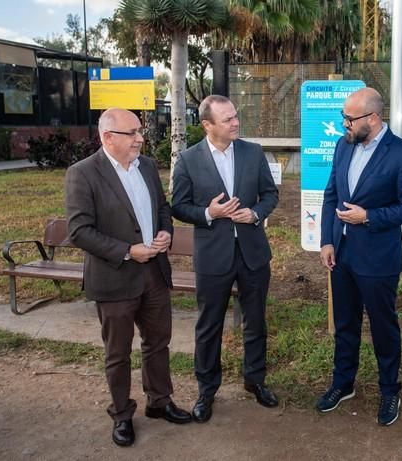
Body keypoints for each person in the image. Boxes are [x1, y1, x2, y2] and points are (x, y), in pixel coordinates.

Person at [65, 108, 192, 448]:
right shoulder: (83, 174)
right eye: (132, 132)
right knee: (118, 353)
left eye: (139, 131)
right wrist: (126, 250)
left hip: (154, 273)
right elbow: (79, 231)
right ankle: (122, 415)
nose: (140, 138)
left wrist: (165, 233)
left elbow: (162, 209)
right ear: (108, 137)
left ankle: (159, 401)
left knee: (158, 343)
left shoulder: (147, 166)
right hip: (115, 277)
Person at [317, 88, 402, 426]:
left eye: (349, 119)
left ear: (373, 119)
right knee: (345, 323)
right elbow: (331, 194)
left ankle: (390, 390)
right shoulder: (343, 145)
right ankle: (343, 382)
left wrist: (369, 217)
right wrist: (326, 241)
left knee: (383, 326)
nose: (344, 125)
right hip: (342, 253)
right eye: (343, 119)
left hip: (378, 258)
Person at [171, 95, 280, 423]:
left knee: (256, 321)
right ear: (207, 125)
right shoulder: (188, 160)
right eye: (228, 119)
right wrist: (209, 212)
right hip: (213, 257)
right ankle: (207, 390)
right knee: (209, 326)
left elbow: (271, 195)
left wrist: (255, 214)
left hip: (253, 254)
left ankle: (255, 380)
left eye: (235, 116)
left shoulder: (253, 152)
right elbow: (178, 205)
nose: (236, 123)